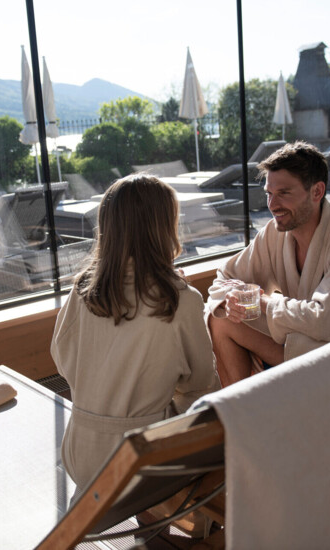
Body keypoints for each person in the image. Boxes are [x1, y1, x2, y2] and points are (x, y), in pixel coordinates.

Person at [206, 141, 330, 444]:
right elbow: (225, 276)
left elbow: (329, 324)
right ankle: (240, 423)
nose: (272, 204)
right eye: (269, 194)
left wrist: (261, 301)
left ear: (317, 191)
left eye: (284, 193)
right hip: (299, 340)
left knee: (308, 340)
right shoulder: (274, 232)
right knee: (220, 317)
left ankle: (259, 424)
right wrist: (235, 301)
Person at [51, 174, 220, 493]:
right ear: (163, 227)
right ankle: (178, 521)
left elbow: (63, 360)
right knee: (210, 400)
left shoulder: (83, 290)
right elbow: (199, 381)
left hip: (79, 450)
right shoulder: (179, 299)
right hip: (140, 462)